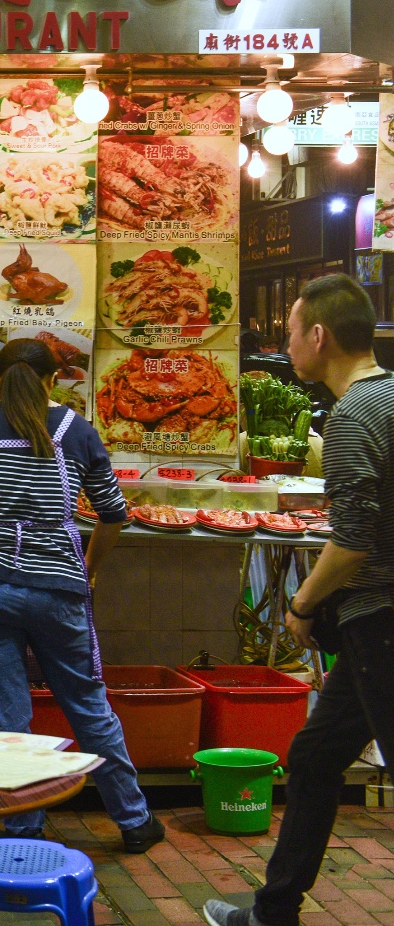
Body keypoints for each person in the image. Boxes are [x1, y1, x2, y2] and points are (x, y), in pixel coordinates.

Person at [0, 338, 163, 854]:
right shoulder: (78, 430)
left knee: (9, 717)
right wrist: (87, 569)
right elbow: (114, 514)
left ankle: (25, 826)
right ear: (54, 380)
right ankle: (135, 821)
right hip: (58, 590)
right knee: (89, 707)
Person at [205, 276, 394, 926]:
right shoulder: (390, 397)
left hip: (382, 622)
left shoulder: (352, 414)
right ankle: (273, 910)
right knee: (314, 758)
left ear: (319, 336)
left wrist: (302, 604)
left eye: (290, 331)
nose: (284, 343)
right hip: (377, 621)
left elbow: (354, 542)